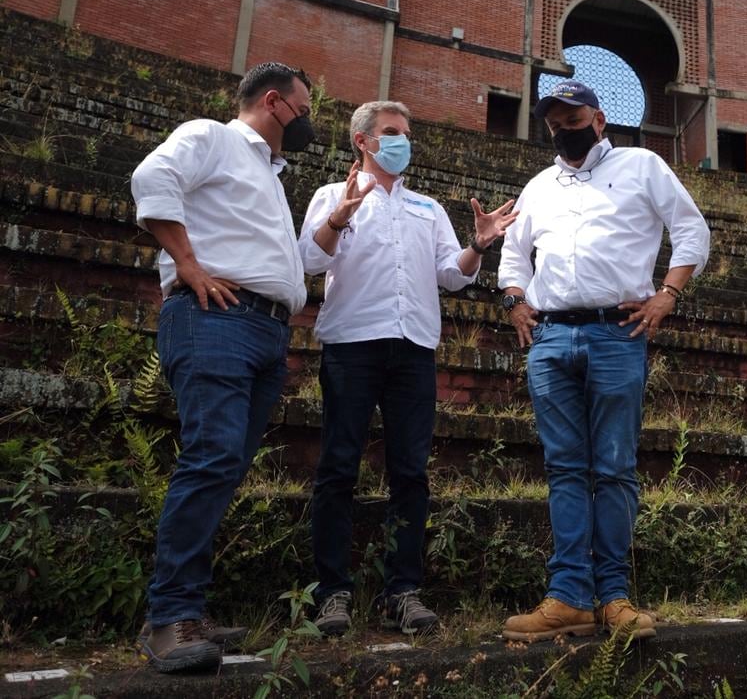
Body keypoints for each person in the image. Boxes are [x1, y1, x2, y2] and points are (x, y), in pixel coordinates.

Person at [498, 81, 711, 642]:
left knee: (613, 468)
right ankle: (568, 596)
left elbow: (692, 230)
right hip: (551, 338)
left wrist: (669, 293)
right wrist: (516, 300)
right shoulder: (539, 185)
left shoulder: (642, 165)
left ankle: (613, 596)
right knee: (566, 468)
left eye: (572, 118)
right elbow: (514, 253)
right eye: (554, 122)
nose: (563, 129)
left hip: (617, 332)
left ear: (598, 117)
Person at [298, 101, 516, 636]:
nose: (402, 141)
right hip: (352, 345)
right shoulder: (333, 195)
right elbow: (310, 260)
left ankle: (403, 590)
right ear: (363, 142)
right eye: (391, 133)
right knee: (338, 468)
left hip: (414, 348)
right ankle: (332, 593)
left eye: (407, 134)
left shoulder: (427, 207)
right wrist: (338, 218)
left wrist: (478, 246)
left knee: (410, 472)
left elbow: (452, 275)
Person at [130, 62, 314, 673]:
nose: (307, 122)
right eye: (304, 110)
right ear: (273, 102)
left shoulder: (269, 174)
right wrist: (187, 263)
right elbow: (152, 176)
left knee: (224, 463)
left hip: (260, 327)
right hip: (215, 317)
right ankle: (168, 618)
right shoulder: (212, 136)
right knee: (211, 456)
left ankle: (189, 608)